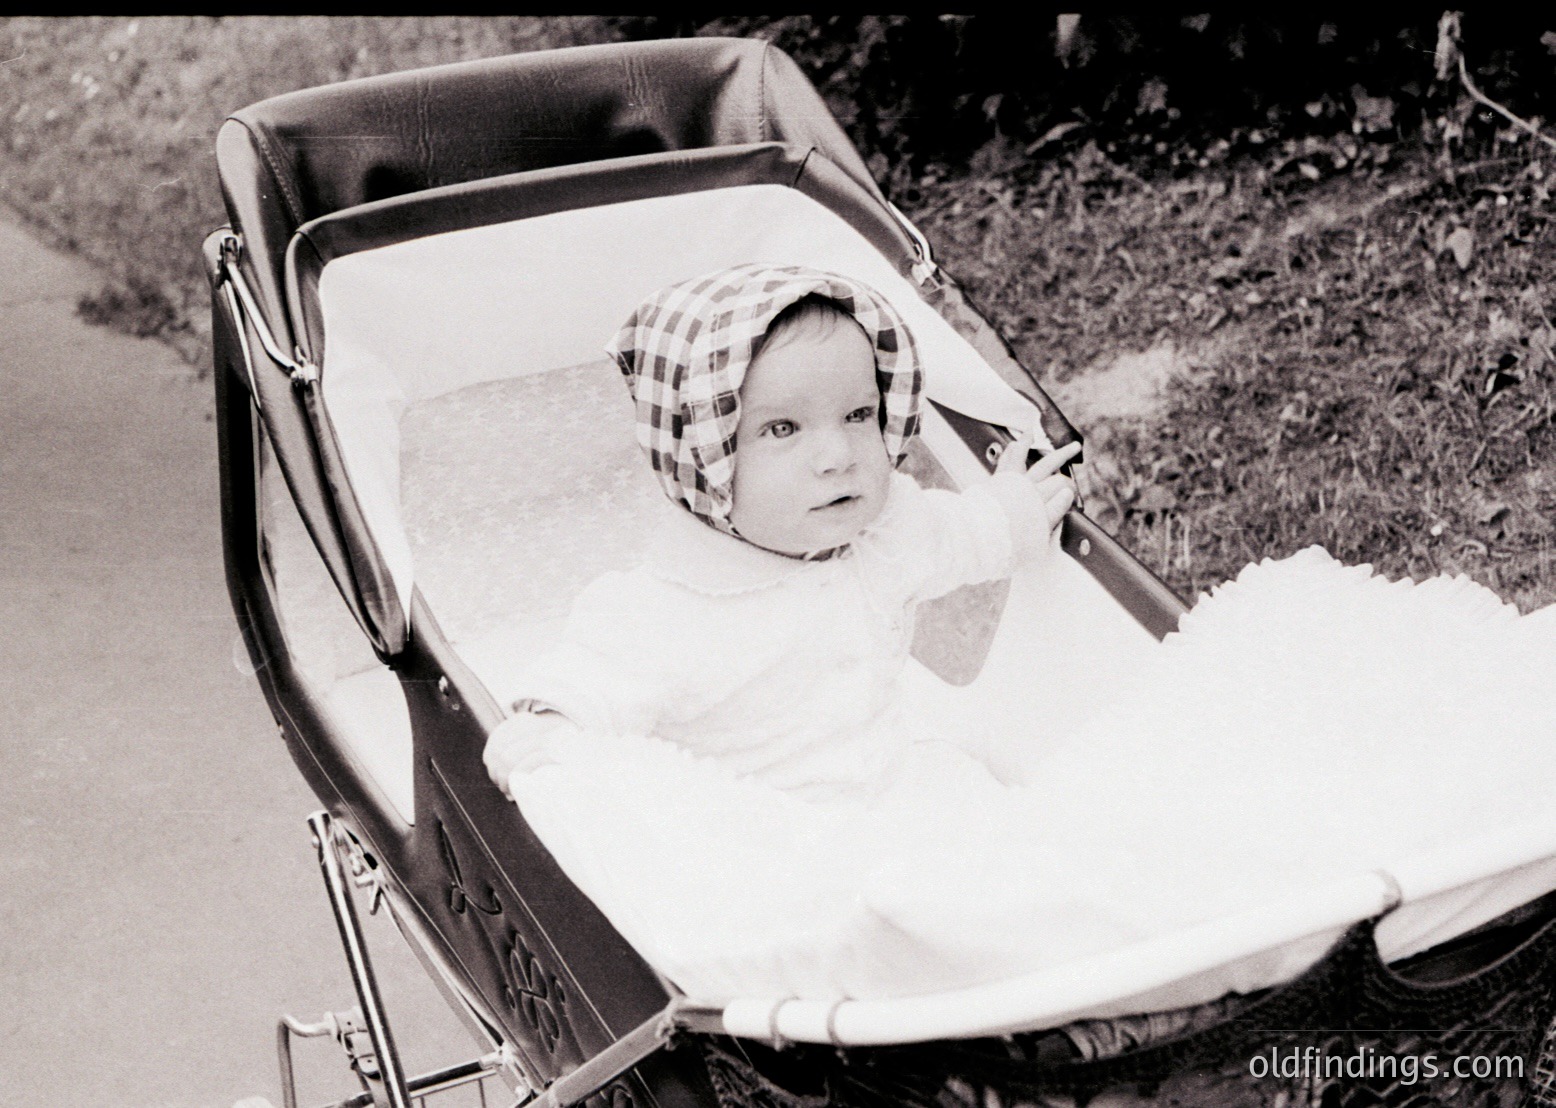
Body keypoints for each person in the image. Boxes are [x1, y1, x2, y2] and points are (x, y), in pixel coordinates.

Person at [483, 263, 1079, 801]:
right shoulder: (665, 605)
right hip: (759, 839)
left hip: (889, 790)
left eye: (857, 415)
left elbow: (960, 538)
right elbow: (587, 683)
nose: (836, 455)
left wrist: (1016, 512)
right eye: (782, 429)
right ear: (705, 459)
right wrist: (547, 732)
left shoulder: (887, 527)